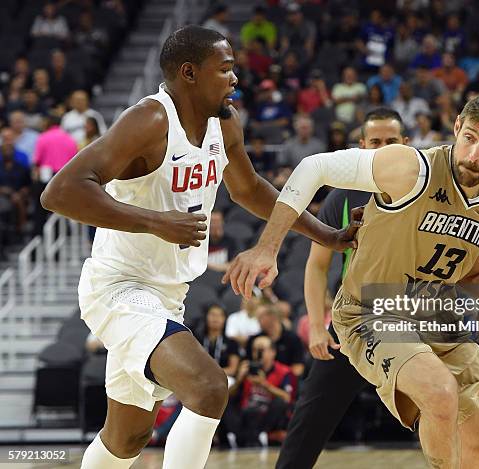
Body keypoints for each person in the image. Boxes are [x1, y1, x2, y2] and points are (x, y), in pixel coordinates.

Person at [39, 26, 357, 469]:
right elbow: (60, 192)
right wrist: (153, 221)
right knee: (209, 387)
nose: (235, 79)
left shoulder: (224, 122)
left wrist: (325, 233)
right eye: (225, 69)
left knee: (127, 437)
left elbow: (249, 189)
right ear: (189, 73)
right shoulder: (149, 120)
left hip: (170, 295)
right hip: (119, 288)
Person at [225, 93, 479, 469]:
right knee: (439, 394)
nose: (474, 154)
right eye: (469, 138)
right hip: (370, 311)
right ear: (457, 127)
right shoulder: (411, 168)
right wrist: (268, 246)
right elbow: (313, 167)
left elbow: (474, 275)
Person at [277, 107, 409, 469]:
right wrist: (317, 327)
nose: (383, 149)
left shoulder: (425, 192)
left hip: (413, 312)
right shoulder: (342, 195)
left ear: (406, 145)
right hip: (358, 317)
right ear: (362, 146)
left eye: (391, 142)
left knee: (444, 407)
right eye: (376, 142)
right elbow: (317, 266)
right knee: (311, 415)